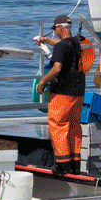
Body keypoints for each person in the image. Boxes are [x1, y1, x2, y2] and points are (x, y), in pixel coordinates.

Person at [35, 14, 86, 175]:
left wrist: (42, 82)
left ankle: (63, 164)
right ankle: (75, 164)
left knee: (58, 124)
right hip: (78, 92)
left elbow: (57, 68)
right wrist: (45, 40)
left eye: (56, 30)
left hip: (63, 92)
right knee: (74, 125)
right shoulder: (76, 42)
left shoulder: (61, 47)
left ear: (60, 28)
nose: (55, 33)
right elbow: (61, 44)